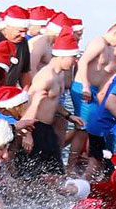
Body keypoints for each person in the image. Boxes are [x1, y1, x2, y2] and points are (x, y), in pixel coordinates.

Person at [17, 30, 81, 171]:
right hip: (35, 128)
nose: (76, 61)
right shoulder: (46, 77)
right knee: (30, 176)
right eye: (74, 57)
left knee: (55, 173)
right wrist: (27, 135)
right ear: (62, 56)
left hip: (47, 129)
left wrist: (69, 116)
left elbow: (52, 101)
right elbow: (28, 104)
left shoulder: (60, 75)